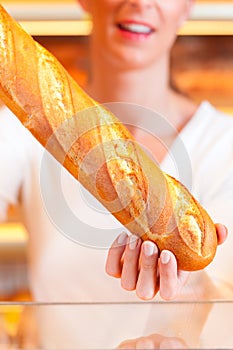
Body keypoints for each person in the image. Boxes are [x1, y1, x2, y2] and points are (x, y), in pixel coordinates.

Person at [0, 0, 232, 348]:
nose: (140, 2)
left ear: (188, 6)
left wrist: (191, 305)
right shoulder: (18, 133)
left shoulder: (225, 144)